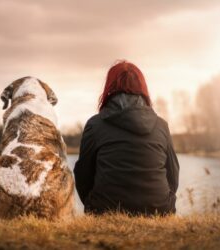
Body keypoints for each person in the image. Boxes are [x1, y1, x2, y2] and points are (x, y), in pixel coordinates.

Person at [74, 60, 179, 216]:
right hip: (159, 211)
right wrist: (162, 203)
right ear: (143, 88)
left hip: (105, 210)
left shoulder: (95, 125)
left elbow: (83, 175)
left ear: (109, 88)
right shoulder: (161, 125)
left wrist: (93, 204)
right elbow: (173, 175)